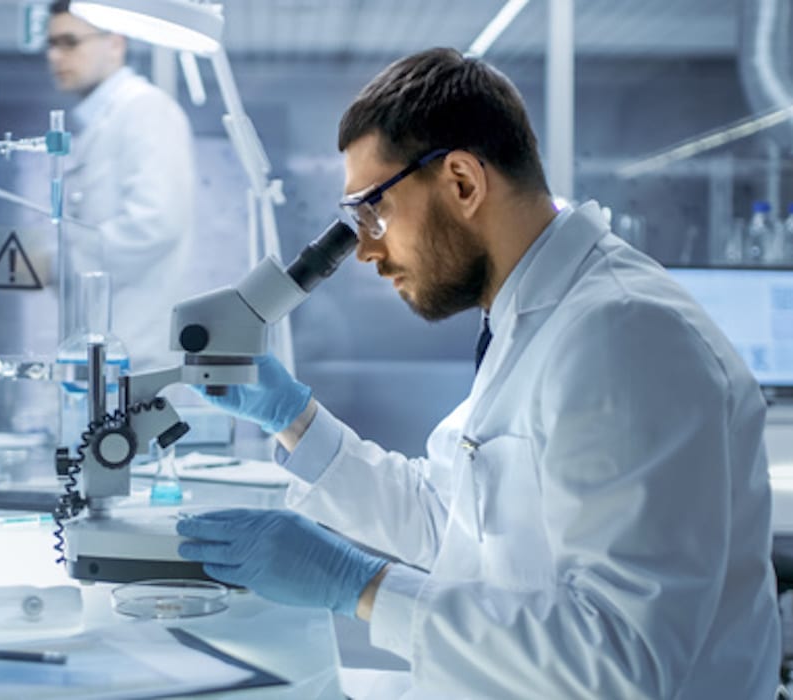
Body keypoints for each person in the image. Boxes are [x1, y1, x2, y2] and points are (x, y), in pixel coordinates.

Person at [176, 48, 781, 698]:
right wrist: (295, 420)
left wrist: (362, 587)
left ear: (462, 182)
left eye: (372, 213)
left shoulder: (624, 335)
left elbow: (623, 664)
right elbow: (455, 522)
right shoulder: (533, 317)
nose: (366, 251)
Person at [46, 0, 195, 371]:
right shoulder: (103, 122)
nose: (54, 57)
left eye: (69, 42)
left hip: (137, 356)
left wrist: (57, 260)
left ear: (115, 43)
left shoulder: (145, 111)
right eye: (50, 45)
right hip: (104, 355)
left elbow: (154, 225)